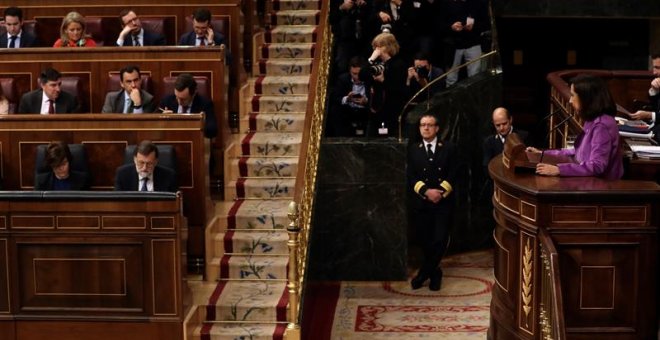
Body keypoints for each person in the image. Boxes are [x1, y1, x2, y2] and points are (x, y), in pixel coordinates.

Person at [526, 74, 623, 179]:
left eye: (573, 95)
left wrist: (559, 170)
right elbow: (577, 152)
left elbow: (597, 166)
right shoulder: (592, 120)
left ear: (586, 98)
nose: (570, 101)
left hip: (601, 187)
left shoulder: (601, 125)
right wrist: (543, 153)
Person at [407, 113, 457, 291]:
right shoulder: (413, 149)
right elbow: (411, 176)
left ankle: (423, 274)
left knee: (439, 239)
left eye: (429, 125)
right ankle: (435, 273)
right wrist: (426, 191)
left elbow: (454, 173)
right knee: (425, 241)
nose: (426, 128)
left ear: (437, 128)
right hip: (422, 202)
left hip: (442, 203)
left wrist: (440, 193)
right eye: (422, 125)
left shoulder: (449, 148)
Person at [440, 0, 489, 87]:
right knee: (451, 78)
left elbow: (485, 22)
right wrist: (451, 27)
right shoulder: (446, 3)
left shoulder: (478, 3)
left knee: (475, 78)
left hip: (473, 42)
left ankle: (473, 99)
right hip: (453, 45)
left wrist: (474, 26)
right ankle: (450, 99)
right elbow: (439, 24)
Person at [367, 33, 407, 137]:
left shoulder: (398, 64)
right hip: (376, 109)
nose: (376, 49)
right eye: (375, 47)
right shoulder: (377, 64)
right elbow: (362, 75)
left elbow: (399, 88)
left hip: (391, 110)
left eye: (379, 46)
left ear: (388, 47)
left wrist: (383, 81)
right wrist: (371, 60)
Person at [159, 73, 218, 139]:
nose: (179, 102)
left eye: (183, 99)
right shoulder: (167, 101)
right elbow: (152, 123)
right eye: (177, 97)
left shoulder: (205, 104)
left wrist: (201, 123)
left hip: (193, 141)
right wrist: (162, 119)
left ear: (194, 94)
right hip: (171, 141)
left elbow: (213, 130)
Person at [331, 56, 372, 136]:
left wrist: (366, 101)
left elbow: (378, 100)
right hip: (348, 113)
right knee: (335, 110)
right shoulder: (343, 79)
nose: (357, 77)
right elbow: (336, 97)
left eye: (360, 74)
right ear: (350, 71)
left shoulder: (371, 80)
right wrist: (347, 98)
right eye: (354, 74)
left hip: (365, 113)